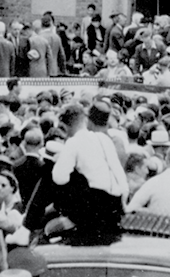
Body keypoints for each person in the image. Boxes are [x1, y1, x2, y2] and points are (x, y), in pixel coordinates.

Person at [52, 101, 128, 244]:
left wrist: (59, 160)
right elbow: (120, 177)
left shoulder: (73, 142)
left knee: (52, 170)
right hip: (115, 206)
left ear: (66, 126)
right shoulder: (104, 139)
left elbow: (59, 178)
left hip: (92, 209)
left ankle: (28, 225)